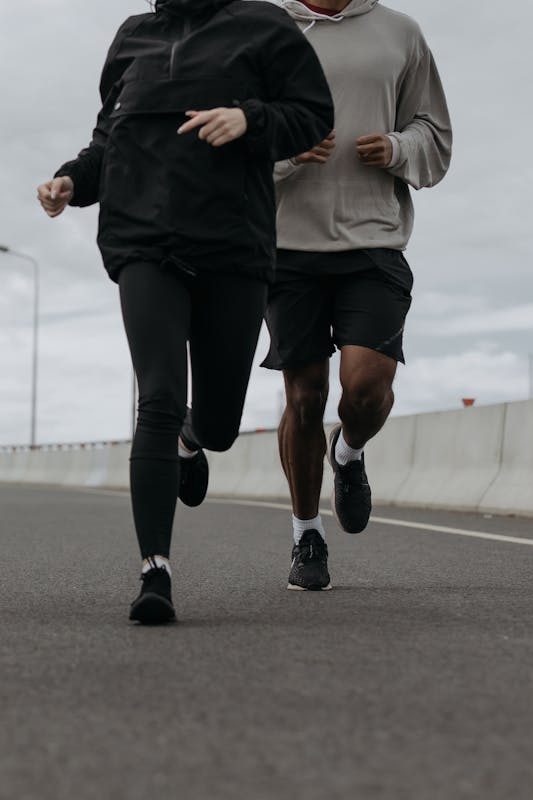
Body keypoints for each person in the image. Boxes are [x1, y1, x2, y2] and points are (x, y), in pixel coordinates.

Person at [37, 0, 333, 624]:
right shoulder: (132, 37)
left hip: (232, 248)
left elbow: (312, 117)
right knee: (158, 395)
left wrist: (249, 119)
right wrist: (72, 179)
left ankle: (193, 441)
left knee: (219, 423)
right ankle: (155, 572)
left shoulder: (264, 26)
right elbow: (111, 138)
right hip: (144, 244)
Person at [262, 0, 452, 591]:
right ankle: (305, 534)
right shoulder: (266, 30)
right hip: (287, 247)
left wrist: (397, 148)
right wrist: (289, 156)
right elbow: (233, 139)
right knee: (304, 395)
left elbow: (435, 133)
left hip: (373, 244)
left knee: (367, 390)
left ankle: (348, 452)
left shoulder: (401, 33)